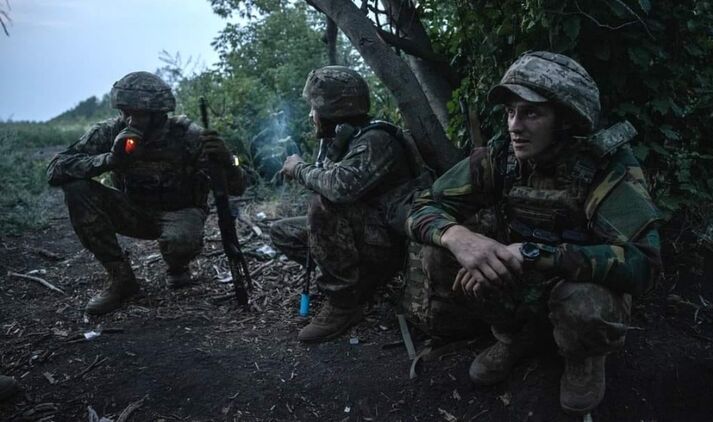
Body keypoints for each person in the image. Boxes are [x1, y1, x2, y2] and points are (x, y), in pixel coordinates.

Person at [406, 51, 663, 415]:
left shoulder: (606, 167)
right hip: (522, 280)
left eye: (531, 113)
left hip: (575, 286)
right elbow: (421, 205)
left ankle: (583, 357)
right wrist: (457, 237)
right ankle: (516, 337)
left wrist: (534, 254)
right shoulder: (501, 157)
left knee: (583, 303)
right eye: (511, 112)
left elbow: (644, 263)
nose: (515, 125)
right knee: (441, 251)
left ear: (565, 119)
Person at [47, 71, 246, 315]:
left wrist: (229, 160)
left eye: (138, 114)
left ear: (158, 114)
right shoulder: (111, 132)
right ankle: (121, 280)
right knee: (77, 189)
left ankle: (177, 266)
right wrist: (110, 160)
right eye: (125, 112)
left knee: (180, 241)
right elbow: (56, 169)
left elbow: (237, 186)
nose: (130, 120)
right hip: (133, 210)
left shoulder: (187, 135)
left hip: (180, 212)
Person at [271, 66, 429, 343]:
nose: (311, 115)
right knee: (283, 232)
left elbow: (339, 188)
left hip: (392, 242)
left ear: (331, 111)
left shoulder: (376, 140)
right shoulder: (344, 139)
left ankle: (343, 304)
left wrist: (299, 169)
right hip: (368, 235)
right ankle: (360, 283)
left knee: (323, 205)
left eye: (314, 108)